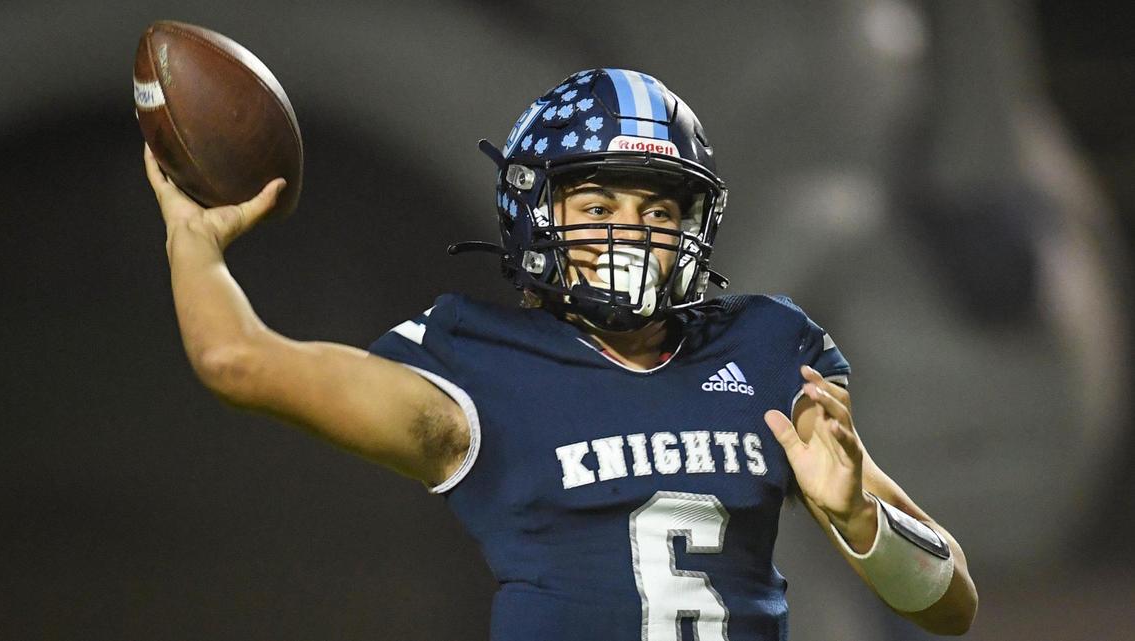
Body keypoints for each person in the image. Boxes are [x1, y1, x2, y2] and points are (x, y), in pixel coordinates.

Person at [144, 68, 977, 640]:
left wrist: (862, 518)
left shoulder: (762, 348)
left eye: (657, 208)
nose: (629, 228)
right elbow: (237, 361)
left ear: (693, 227)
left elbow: (952, 605)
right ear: (534, 213)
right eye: (598, 200)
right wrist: (194, 243)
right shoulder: (476, 370)